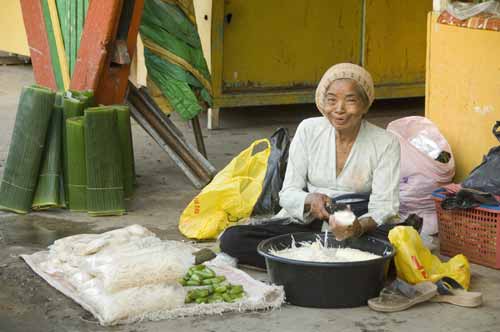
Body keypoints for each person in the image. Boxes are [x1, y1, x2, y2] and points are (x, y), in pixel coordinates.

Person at [220, 63, 410, 269]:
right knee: (233, 239)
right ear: (323, 102)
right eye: (331, 100)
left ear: (365, 105)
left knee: (398, 252)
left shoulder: (385, 142)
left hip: (358, 221)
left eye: (350, 100)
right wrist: (310, 199)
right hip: (309, 221)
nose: (339, 109)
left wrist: (358, 228)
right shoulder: (308, 130)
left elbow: (384, 206)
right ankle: (334, 263)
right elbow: (288, 193)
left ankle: (301, 262)